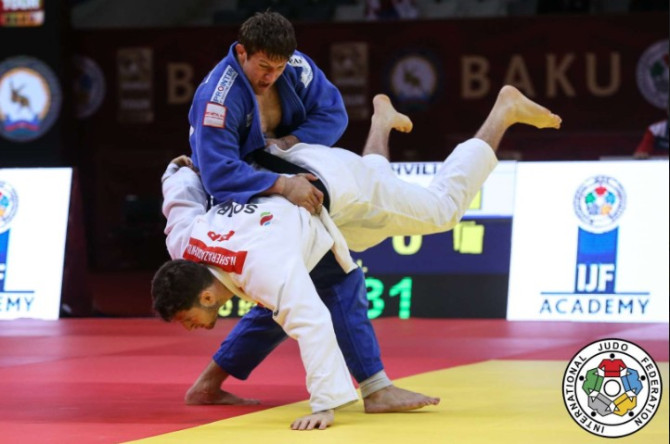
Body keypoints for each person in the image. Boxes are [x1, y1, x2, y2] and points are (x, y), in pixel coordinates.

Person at [153, 85, 562, 430]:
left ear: (206, 296)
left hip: (337, 187)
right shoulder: (187, 247)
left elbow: (312, 323)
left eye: (188, 319)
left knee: (442, 210)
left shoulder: (263, 266)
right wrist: (180, 169)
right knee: (287, 297)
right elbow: (180, 201)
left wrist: (324, 406)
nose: (191, 328)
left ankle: (502, 112)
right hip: (299, 181)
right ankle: (381, 123)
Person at [186, 10, 434, 415]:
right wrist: (284, 184)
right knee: (333, 277)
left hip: (285, 173)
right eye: (263, 66)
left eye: (278, 67)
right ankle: (375, 387)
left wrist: (290, 142)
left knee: (284, 292)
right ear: (242, 52)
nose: (270, 76)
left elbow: (334, 115)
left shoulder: (297, 68)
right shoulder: (219, 98)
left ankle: (208, 384)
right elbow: (218, 175)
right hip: (245, 198)